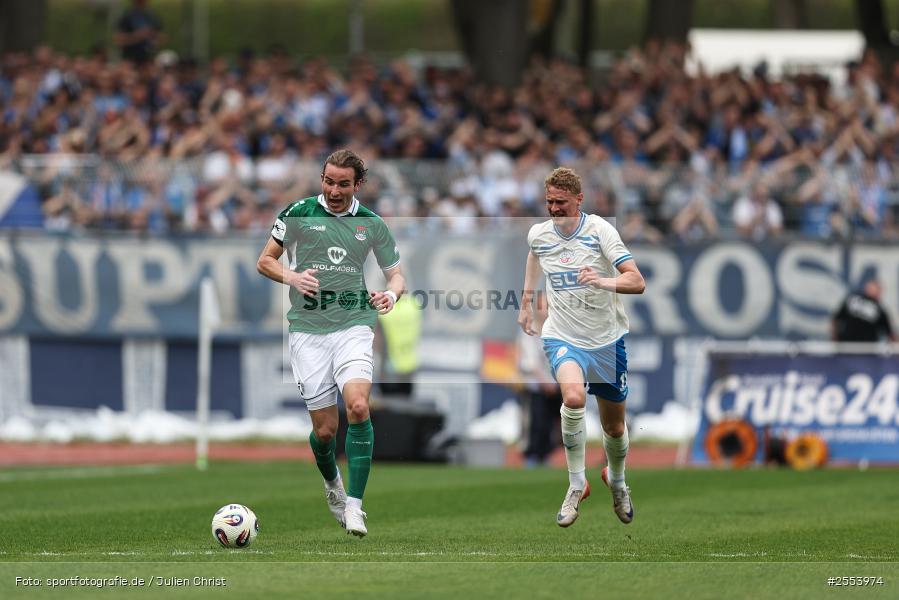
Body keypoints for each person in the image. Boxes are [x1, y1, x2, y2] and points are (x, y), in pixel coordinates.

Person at [257, 149, 405, 538]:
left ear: (358, 185)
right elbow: (265, 261)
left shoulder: (371, 224)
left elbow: (396, 276)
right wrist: (292, 277)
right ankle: (332, 483)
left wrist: (391, 294)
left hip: (354, 325)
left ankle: (355, 505)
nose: (334, 190)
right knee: (325, 432)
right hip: (308, 331)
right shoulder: (298, 213)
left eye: (343, 184)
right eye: (328, 181)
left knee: (358, 406)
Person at [518, 167, 646, 528]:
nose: (554, 208)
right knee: (573, 398)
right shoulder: (539, 234)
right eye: (549, 202)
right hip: (562, 335)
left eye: (561, 202)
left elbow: (637, 281)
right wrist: (526, 302)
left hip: (606, 341)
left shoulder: (600, 231)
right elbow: (534, 255)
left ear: (579, 199)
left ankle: (617, 481)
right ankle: (576, 484)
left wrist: (602, 281)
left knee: (614, 428)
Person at [516, 291, 562, 466]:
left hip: (555, 386)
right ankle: (531, 456)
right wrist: (545, 382)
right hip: (535, 386)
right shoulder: (529, 328)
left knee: (551, 423)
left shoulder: (557, 329)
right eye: (543, 306)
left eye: (549, 306)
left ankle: (546, 454)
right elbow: (530, 362)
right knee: (535, 421)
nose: (546, 310)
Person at [831, 276, 896, 342]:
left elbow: (890, 333)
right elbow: (836, 319)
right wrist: (834, 338)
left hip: (866, 345)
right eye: (873, 287)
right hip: (848, 343)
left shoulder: (880, 309)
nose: (876, 291)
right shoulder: (853, 299)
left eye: (878, 288)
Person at [114, 0, 166, 65]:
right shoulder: (127, 16)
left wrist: (153, 36)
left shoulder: (152, 16)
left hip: (148, 59)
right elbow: (118, 39)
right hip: (130, 59)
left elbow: (162, 37)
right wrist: (138, 36)